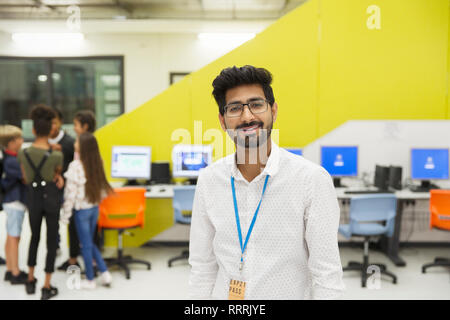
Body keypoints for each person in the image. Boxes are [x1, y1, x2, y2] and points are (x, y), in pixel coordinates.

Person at [188, 65, 345, 300]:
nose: (247, 116)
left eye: (256, 104)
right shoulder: (209, 180)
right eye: (234, 108)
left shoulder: (311, 180)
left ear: (273, 110)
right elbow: (202, 268)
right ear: (222, 120)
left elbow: (327, 275)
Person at [18, 104, 64, 300]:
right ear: (50, 131)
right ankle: (46, 285)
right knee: (52, 240)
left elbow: (24, 178)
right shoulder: (57, 154)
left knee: (34, 237)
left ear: (34, 130)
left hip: (33, 198)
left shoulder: (23, 153)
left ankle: (30, 280)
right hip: (52, 197)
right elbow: (57, 176)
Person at [60, 132, 113, 289]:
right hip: (93, 208)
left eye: (77, 141)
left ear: (83, 147)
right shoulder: (98, 163)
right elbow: (102, 188)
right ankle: (104, 272)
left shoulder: (75, 166)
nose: (75, 143)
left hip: (81, 211)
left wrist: (65, 215)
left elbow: (70, 194)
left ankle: (90, 279)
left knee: (86, 245)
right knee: (89, 242)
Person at [58, 109, 98, 272]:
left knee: (82, 233)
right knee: (78, 232)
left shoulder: (86, 144)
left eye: (76, 125)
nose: (74, 128)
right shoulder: (84, 143)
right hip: (86, 199)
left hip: (81, 200)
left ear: (85, 126)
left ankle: (87, 265)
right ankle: (74, 260)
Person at [0, 125, 28, 285]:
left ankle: (10, 269)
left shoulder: (10, 158)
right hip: (15, 202)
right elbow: (25, 177)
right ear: (11, 142)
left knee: (11, 235)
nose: (22, 141)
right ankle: (15, 272)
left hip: (12, 202)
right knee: (14, 237)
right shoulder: (12, 161)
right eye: (19, 139)